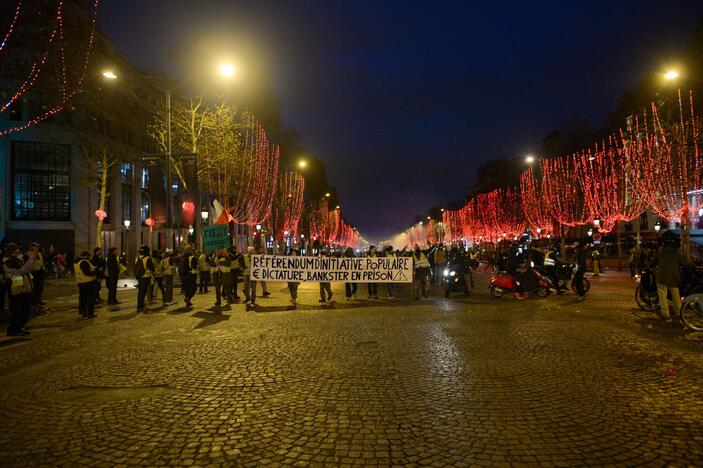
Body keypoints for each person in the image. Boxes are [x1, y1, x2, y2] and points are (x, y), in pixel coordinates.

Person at [655, 240, 693, 322]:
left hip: (661, 278)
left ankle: (665, 314)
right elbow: (687, 264)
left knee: (662, 297)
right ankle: (679, 312)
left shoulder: (660, 254)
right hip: (673, 278)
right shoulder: (677, 255)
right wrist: (694, 266)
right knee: (676, 296)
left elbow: (652, 263)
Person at [4, 243, 36, 335]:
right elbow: (22, 271)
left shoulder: (17, 260)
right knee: (18, 311)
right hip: (16, 290)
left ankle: (19, 328)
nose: (18, 252)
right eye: (16, 250)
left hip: (23, 289)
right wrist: (30, 258)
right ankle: (13, 330)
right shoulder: (9, 262)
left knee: (25, 311)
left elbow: (27, 270)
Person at [74, 250, 98, 319]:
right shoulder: (84, 262)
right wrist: (96, 272)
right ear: (87, 256)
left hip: (81, 282)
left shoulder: (77, 262)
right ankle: (90, 313)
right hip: (88, 282)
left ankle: (83, 312)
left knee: (83, 298)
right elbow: (87, 272)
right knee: (90, 299)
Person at [134, 245, 154, 312]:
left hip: (140, 277)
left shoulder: (137, 258)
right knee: (143, 292)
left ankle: (140, 305)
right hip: (145, 276)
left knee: (140, 292)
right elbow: (151, 268)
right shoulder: (148, 258)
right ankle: (140, 306)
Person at [30, 243, 47, 309]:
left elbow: (42, 261)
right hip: (34, 273)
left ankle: (37, 301)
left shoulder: (39, 254)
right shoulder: (30, 254)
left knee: (40, 288)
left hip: (40, 272)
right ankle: (33, 303)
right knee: (35, 289)